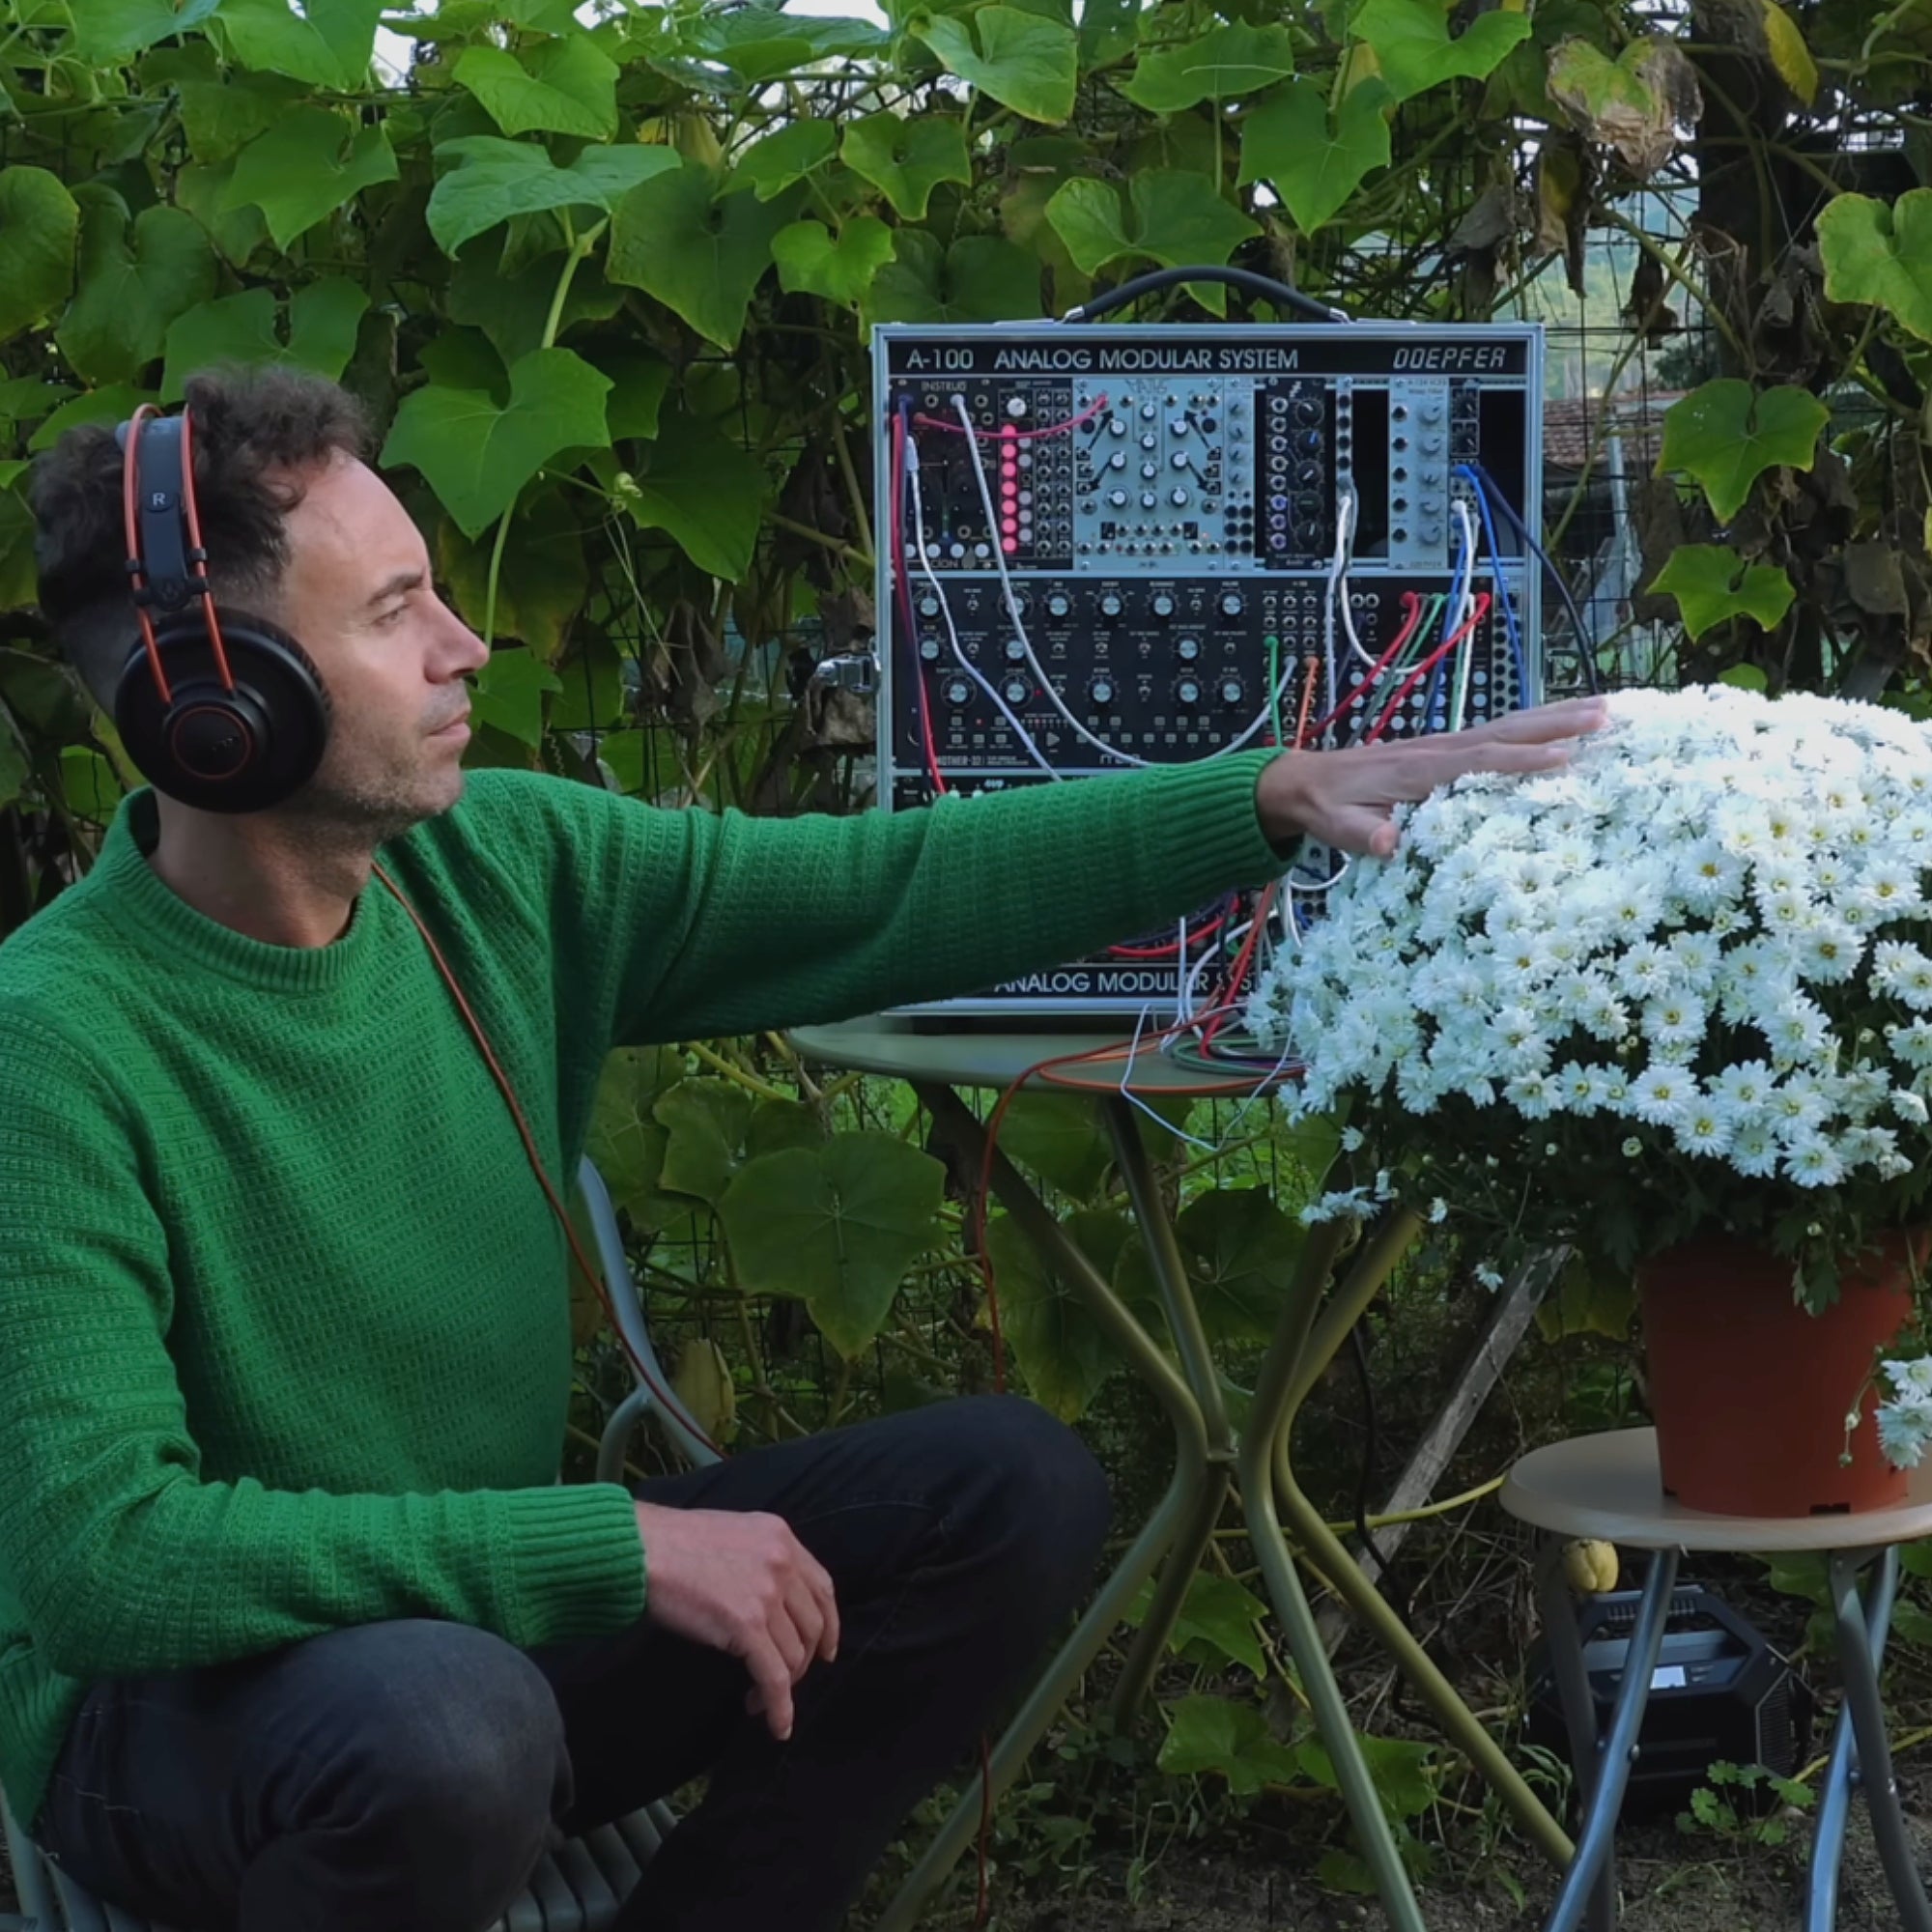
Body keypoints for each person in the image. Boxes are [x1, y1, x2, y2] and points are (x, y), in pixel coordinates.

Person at [0, 365, 1606, 1932]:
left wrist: (1267, 794)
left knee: (1005, 1489)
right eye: (390, 612)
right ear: (216, 702)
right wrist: (610, 1543)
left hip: (474, 1631)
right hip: (179, 1725)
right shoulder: (53, 1042)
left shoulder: (508, 866)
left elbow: (874, 892)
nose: (463, 646)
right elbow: (108, 1564)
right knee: (447, 1734)